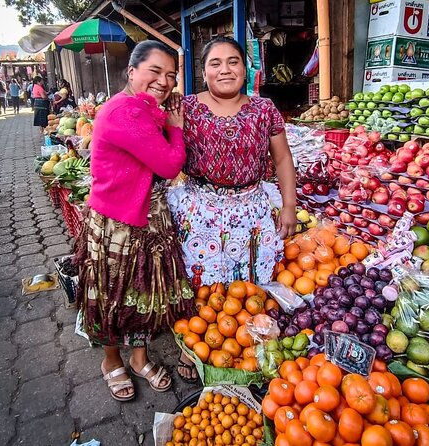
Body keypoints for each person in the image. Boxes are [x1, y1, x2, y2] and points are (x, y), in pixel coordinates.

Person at [167, 36, 297, 380]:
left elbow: (282, 159)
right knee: (201, 283)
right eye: (215, 63)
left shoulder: (264, 109)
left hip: (251, 211)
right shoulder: (186, 107)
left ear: (245, 67)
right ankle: (194, 349)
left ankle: (250, 347)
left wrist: (289, 206)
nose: (225, 69)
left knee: (252, 282)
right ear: (204, 72)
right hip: (202, 211)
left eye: (233, 61)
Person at [74, 40, 194, 401]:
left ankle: (140, 357)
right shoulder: (123, 112)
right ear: (131, 72)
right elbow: (171, 165)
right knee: (111, 297)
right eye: (154, 71)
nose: (164, 81)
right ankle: (112, 361)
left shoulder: (143, 108)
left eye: (171, 75)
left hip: (148, 217)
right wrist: (176, 128)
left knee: (145, 295)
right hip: (117, 223)